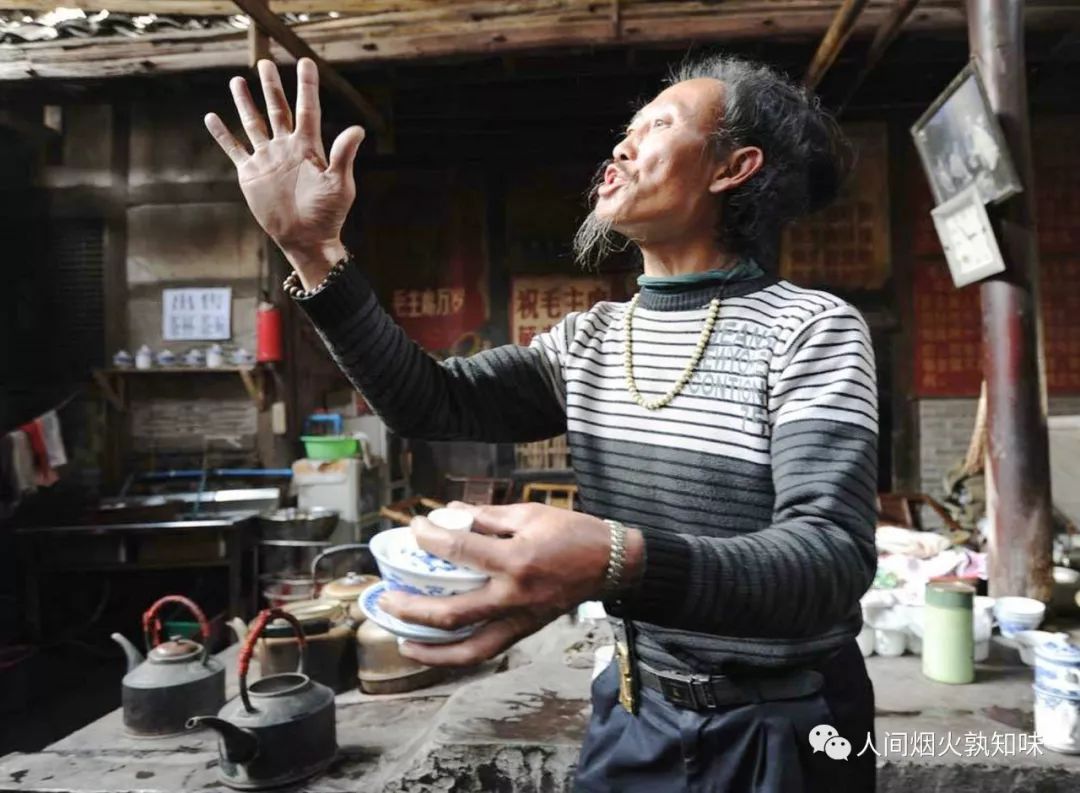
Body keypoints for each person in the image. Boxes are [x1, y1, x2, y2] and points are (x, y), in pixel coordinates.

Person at [206, 53, 879, 792]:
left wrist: (617, 559)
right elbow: (431, 401)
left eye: (657, 125)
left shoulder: (810, 328)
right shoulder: (590, 339)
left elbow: (830, 558)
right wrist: (313, 249)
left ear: (732, 168)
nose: (621, 146)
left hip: (784, 728)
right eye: (627, 128)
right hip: (632, 711)